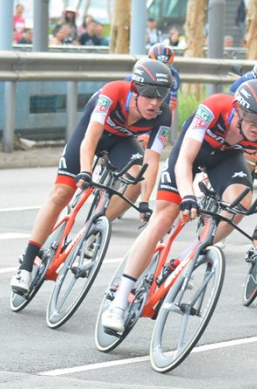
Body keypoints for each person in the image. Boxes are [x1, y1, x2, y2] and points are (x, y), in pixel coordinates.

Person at [100, 79, 257, 333]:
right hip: (192, 154)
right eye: (253, 120)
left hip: (225, 159)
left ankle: (187, 256)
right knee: (164, 217)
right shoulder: (213, 108)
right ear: (238, 110)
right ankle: (119, 301)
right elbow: (184, 161)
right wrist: (188, 195)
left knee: (240, 203)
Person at [11, 59, 174, 296]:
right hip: (90, 136)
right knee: (61, 193)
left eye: (161, 97)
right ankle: (26, 264)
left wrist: (146, 202)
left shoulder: (162, 115)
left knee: (137, 178)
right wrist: (86, 171)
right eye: (149, 96)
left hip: (121, 141)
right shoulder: (112, 94)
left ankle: (96, 226)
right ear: (135, 90)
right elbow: (90, 139)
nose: (154, 103)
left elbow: (153, 159)